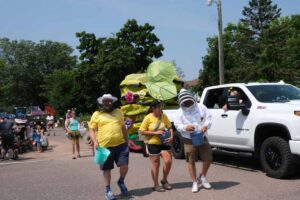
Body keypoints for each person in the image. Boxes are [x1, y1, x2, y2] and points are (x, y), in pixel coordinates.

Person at [89, 94, 129, 200]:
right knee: (107, 169)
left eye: (110, 101)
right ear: (102, 102)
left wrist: (127, 141)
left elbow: (123, 127)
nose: (108, 103)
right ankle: (108, 190)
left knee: (124, 166)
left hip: (121, 145)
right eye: (106, 101)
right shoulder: (97, 114)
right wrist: (95, 142)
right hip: (104, 146)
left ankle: (121, 181)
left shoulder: (118, 112)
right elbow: (92, 129)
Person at [174, 89, 213, 193]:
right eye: (185, 102)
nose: (188, 104)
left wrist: (205, 126)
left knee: (208, 158)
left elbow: (209, 118)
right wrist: (185, 127)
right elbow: (177, 125)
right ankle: (194, 182)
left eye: (189, 101)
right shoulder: (179, 112)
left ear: (193, 99)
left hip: (202, 136)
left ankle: (203, 177)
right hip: (188, 139)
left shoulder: (201, 107)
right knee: (191, 161)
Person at [139, 100, 174, 192]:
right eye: (159, 107)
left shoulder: (164, 116)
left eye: (162, 106)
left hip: (164, 142)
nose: (161, 108)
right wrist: (155, 132)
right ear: (153, 108)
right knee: (156, 164)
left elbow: (170, 127)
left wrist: (171, 136)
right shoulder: (148, 118)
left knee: (168, 161)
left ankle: (164, 180)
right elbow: (141, 131)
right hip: (152, 142)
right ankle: (156, 184)